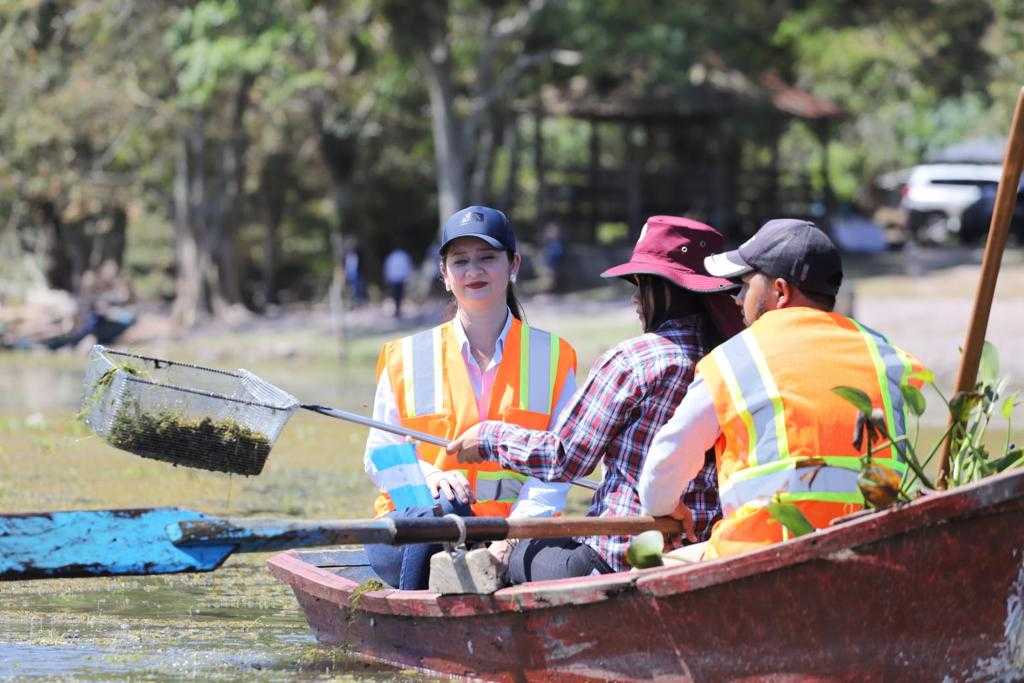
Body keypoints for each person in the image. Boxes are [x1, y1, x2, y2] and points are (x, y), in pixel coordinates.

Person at [447, 216, 744, 581]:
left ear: (666, 290)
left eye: (641, 285)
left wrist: (489, 437)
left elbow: (565, 458)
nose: (636, 299)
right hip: (708, 549)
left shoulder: (637, 360)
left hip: (621, 557)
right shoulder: (738, 359)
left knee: (520, 548)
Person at [639, 219, 930, 560]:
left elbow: (667, 459)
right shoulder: (886, 353)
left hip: (761, 549)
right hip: (874, 547)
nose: (738, 299)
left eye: (745, 285)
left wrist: (664, 506)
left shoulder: (735, 358)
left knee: (648, 570)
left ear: (780, 290)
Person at [363, 205, 579, 589]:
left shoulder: (554, 356)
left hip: (518, 531)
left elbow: (561, 467)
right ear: (444, 275)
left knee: (566, 566)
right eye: (460, 261)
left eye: (487, 258)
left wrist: (510, 539)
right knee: (441, 516)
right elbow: (380, 456)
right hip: (420, 530)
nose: (473, 271)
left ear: (513, 265)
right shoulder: (405, 356)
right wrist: (431, 478)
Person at [383, 246, 414, 318]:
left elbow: (388, 267)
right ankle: (398, 310)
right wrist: (408, 276)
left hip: (394, 278)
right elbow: (408, 266)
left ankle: (397, 310)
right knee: (399, 295)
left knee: (396, 295)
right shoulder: (403, 255)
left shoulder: (391, 256)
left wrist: (388, 277)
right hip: (401, 278)